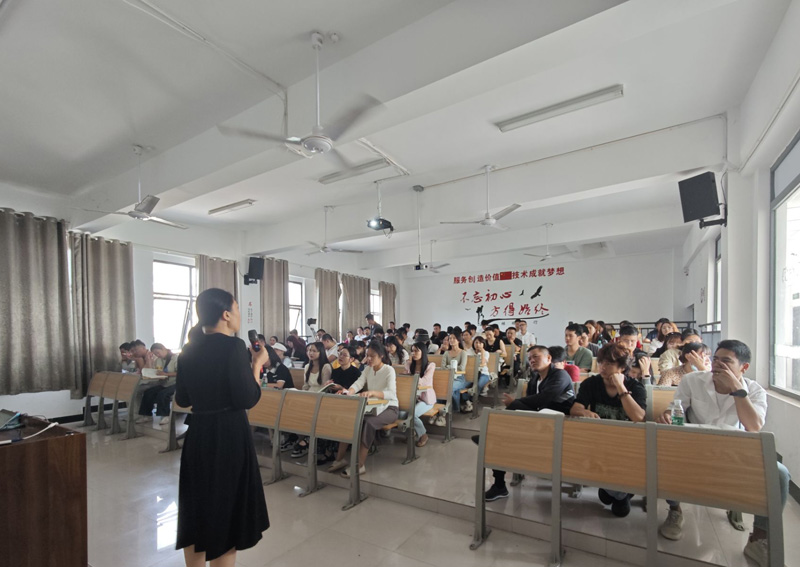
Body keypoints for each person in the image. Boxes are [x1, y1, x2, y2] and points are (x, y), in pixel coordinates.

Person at [656, 340, 790, 567]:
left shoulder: (754, 391)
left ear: (743, 367)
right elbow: (676, 409)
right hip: (695, 448)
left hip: (735, 453)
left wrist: (737, 390)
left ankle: (759, 537)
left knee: (780, 474)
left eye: (726, 361)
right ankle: (675, 510)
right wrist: (668, 415)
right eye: (716, 359)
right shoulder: (693, 381)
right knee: (666, 452)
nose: (717, 365)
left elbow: (754, 426)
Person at [174, 288, 269, 566]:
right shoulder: (233, 346)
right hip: (228, 434)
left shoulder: (188, 349)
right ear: (226, 315)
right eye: (237, 309)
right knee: (227, 512)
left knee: (197, 508)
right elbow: (247, 398)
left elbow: (182, 399)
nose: (238, 315)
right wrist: (256, 365)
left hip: (199, 432)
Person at [480, 345, 575, 501]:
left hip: (560, 427)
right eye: (529, 358)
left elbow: (543, 399)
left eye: (536, 356)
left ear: (549, 358)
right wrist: (517, 404)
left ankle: (489, 436)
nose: (532, 360)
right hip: (538, 422)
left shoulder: (560, 375)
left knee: (509, 415)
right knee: (499, 442)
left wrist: (515, 402)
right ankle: (499, 485)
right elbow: (532, 404)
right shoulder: (535, 379)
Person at [570, 342, 646, 517]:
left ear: (622, 368)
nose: (603, 367)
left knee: (619, 509)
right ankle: (620, 492)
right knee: (607, 498)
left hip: (627, 444)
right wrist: (585, 412)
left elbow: (638, 417)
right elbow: (575, 408)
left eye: (609, 363)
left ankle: (620, 492)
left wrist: (621, 387)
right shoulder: (591, 383)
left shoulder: (635, 387)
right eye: (601, 362)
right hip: (600, 441)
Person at [328, 341, 399, 477]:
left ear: (381, 356)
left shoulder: (389, 370)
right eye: (367, 355)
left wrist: (372, 392)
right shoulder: (368, 369)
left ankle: (359, 465)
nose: (369, 359)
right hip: (373, 407)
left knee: (368, 423)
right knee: (350, 420)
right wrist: (348, 391)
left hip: (390, 408)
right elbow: (358, 383)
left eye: (372, 356)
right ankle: (340, 459)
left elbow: (391, 393)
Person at [137, 343, 179, 425]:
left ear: (163, 348)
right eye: (155, 354)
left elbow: (180, 373)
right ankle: (147, 415)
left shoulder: (176, 358)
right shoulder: (159, 360)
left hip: (175, 383)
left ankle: (165, 416)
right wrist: (149, 362)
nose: (157, 355)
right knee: (148, 392)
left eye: (158, 352)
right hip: (164, 382)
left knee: (163, 394)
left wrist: (166, 374)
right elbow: (155, 370)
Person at [404, 342, 437, 447]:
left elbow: (425, 381)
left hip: (426, 399)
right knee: (401, 412)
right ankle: (412, 431)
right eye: (412, 351)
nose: (413, 353)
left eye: (416, 351)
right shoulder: (409, 364)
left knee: (412, 414)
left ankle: (423, 435)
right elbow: (405, 380)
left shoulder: (430, 365)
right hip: (412, 397)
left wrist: (411, 378)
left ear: (423, 352)